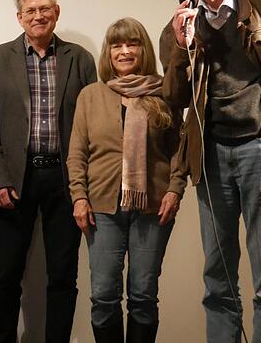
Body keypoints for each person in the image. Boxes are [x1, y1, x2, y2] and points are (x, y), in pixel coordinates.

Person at [161, 0, 261, 343]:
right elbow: (175, 99)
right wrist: (182, 46)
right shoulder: (180, 27)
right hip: (212, 155)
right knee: (218, 278)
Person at [0, 0, 96, 343]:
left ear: (57, 12)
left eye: (45, 8)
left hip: (65, 181)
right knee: (6, 274)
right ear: (19, 17)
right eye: (31, 10)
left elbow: (93, 124)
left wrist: (84, 186)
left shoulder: (80, 59)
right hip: (16, 180)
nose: (38, 16)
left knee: (63, 274)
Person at [67, 18, 185, 342]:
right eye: (117, 45)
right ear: (108, 51)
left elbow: (180, 149)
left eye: (131, 43)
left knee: (143, 296)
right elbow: (77, 153)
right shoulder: (91, 96)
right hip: (102, 209)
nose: (124, 51)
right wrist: (79, 196)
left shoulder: (165, 91)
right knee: (103, 296)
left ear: (142, 48)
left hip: (153, 206)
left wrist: (175, 190)